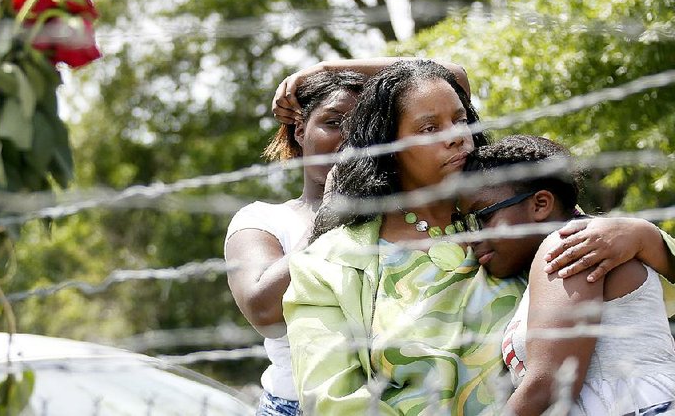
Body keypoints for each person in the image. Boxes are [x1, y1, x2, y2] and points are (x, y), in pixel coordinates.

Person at [280, 59, 675, 415]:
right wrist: (324, 70)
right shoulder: (329, 265)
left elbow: (641, 293)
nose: (456, 137)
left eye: (460, 120)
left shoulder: (514, 215)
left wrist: (643, 236)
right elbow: (333, 402)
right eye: (429, 127)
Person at [227, 58, 471, 415]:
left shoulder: (395, 215)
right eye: (332, 123)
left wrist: (324, 69)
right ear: (299, 130)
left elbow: (453, 77)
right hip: (298, 405)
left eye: (361, 126)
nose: (347, 138)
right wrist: (331, 212)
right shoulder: (264, 219)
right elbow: (263, 311)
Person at [458, 135, 675, 416]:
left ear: (540, 204)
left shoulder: (570, 245)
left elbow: (548, 385)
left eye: (481, 218)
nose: (472, 238)